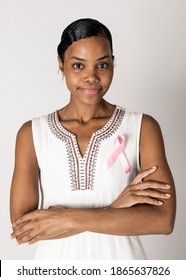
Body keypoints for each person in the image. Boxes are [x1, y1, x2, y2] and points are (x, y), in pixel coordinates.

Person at [10, 18, 176, 260]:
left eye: (102, 65)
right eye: (78, 66)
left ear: (112, 65)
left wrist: (65, 217)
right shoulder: (32, 133)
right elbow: (23, 230)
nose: (91, 77)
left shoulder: (142, 127)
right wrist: (115, 207)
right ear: (61, 64)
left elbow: (163, 221)